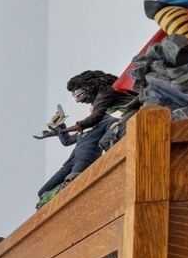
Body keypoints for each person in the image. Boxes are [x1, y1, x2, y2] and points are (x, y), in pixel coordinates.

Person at [38, 71, 132, 202]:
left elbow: (96, 118)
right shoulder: (88, 126)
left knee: (71, 182)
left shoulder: (107, 121)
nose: (92, 108)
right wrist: (59, 127)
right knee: (42, 192)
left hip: (86, 159)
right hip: (72, 160)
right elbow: (68, 141)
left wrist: (79, 125)